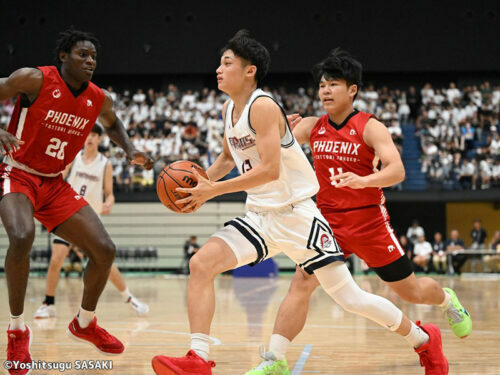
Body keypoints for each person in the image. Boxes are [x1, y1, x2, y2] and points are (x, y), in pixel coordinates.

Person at [151, 32, 448, 375]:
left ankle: (424, 340)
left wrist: (212, 192)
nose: (218, 69)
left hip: (298, 216)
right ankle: (198, 359)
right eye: (220, 63)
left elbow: (269, 169)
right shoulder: (227, 109)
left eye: (227, 63)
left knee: (351, 299)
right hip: (261, 215)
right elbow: (226, 158)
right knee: (200, 265)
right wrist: (201, 185)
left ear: (250, 71)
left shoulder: (262, 106)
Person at [246, 48, 471, 375]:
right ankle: (276, 359)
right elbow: (268, 150)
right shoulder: (311, 127)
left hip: (369, 224)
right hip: (328, 225)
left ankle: (447, 300)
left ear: (352, 89)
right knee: (301, 283)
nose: (325, 90)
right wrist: (277, 129)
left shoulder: (369, 127)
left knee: (412, 291)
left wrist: (363, 180)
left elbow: (397, 172)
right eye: (322, 85)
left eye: (333, 84)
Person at [0, 29, 153, 374]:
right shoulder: (34, 79)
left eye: (94, 57)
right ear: (64, 56)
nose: (90, 62)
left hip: (55, 183)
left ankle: (84, 322)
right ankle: (17, 330)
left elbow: (113, 124)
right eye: (82, 55)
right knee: (22, 237)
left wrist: (130, 150)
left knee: (104, 249)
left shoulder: (98, 98)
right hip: (19, 171)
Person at [33, 124, 149, 319]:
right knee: (56, 258)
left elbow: (109, 193)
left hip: (89, 218)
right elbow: (59, 176)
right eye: (89, 134)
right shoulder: (74, 157)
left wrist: (110, 202)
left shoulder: (105, 164)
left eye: (95, 135)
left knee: (104, 262)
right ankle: (49, 303)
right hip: (67, 214)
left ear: (100, 139)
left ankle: (129, 298)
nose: (91, 138)